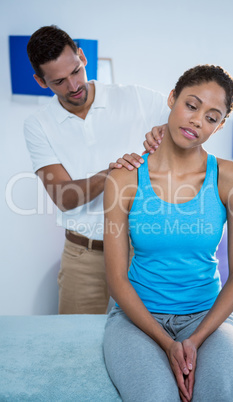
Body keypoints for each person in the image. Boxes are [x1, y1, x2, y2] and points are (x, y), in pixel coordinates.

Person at [103, 65, 233, 401]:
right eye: (191, 105)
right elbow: (115, 278)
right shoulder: (125, 177)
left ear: (219, 126)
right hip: (136, 319)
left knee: (224, 395)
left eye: (212, 117)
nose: (198, 120)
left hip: (207, 318)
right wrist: (168, 343)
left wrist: (194, 340)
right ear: (172, 99)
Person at [24, 25, 170, 315]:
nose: (74, 86)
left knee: (141, 345)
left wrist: (165, 130)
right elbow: (64, 198)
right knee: (75, 350)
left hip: (139, 255)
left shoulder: (135, 98)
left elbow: (190, 120)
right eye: (59, 81)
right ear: (41, 82)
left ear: (82, 57)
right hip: (83, 259)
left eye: (76, 71)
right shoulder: (38, 125)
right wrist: (113, 173)